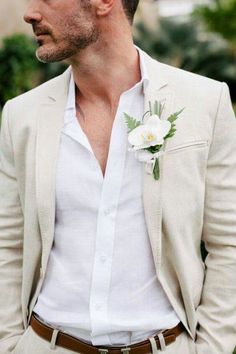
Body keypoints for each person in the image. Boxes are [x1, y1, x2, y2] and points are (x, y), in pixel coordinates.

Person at [0, 0, 236, 353]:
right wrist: (10, 343)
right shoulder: (21, 116)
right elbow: (8, 242)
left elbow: (228, 242)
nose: (30, 12)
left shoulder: (205, 103)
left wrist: (210, 348)